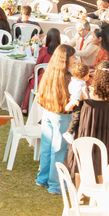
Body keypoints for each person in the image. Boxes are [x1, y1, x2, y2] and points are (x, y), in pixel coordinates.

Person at [35, 44, 77, 194]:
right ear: (66, 59)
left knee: (47, 147)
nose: (75, 59)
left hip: (47, 112)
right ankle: (55, 185)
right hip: (61, 115)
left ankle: (43, 178)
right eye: (73, 57)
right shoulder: (67, 78)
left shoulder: (50, 72)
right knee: (58, 150)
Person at [70, 65, 109, 182]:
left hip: (86, 127)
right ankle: (101, 185)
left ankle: (79, 192)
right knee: (101, 157)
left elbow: (75, 105)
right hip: (102, 129)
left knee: (81, 156)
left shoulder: (86, 91)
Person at [22, 28, 62, 113]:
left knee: (31, 82)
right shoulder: (61, 51)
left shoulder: (44, 50)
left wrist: (33, 75)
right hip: (57, 79)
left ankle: (25, 108)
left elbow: (38, 66)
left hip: (44, 79)